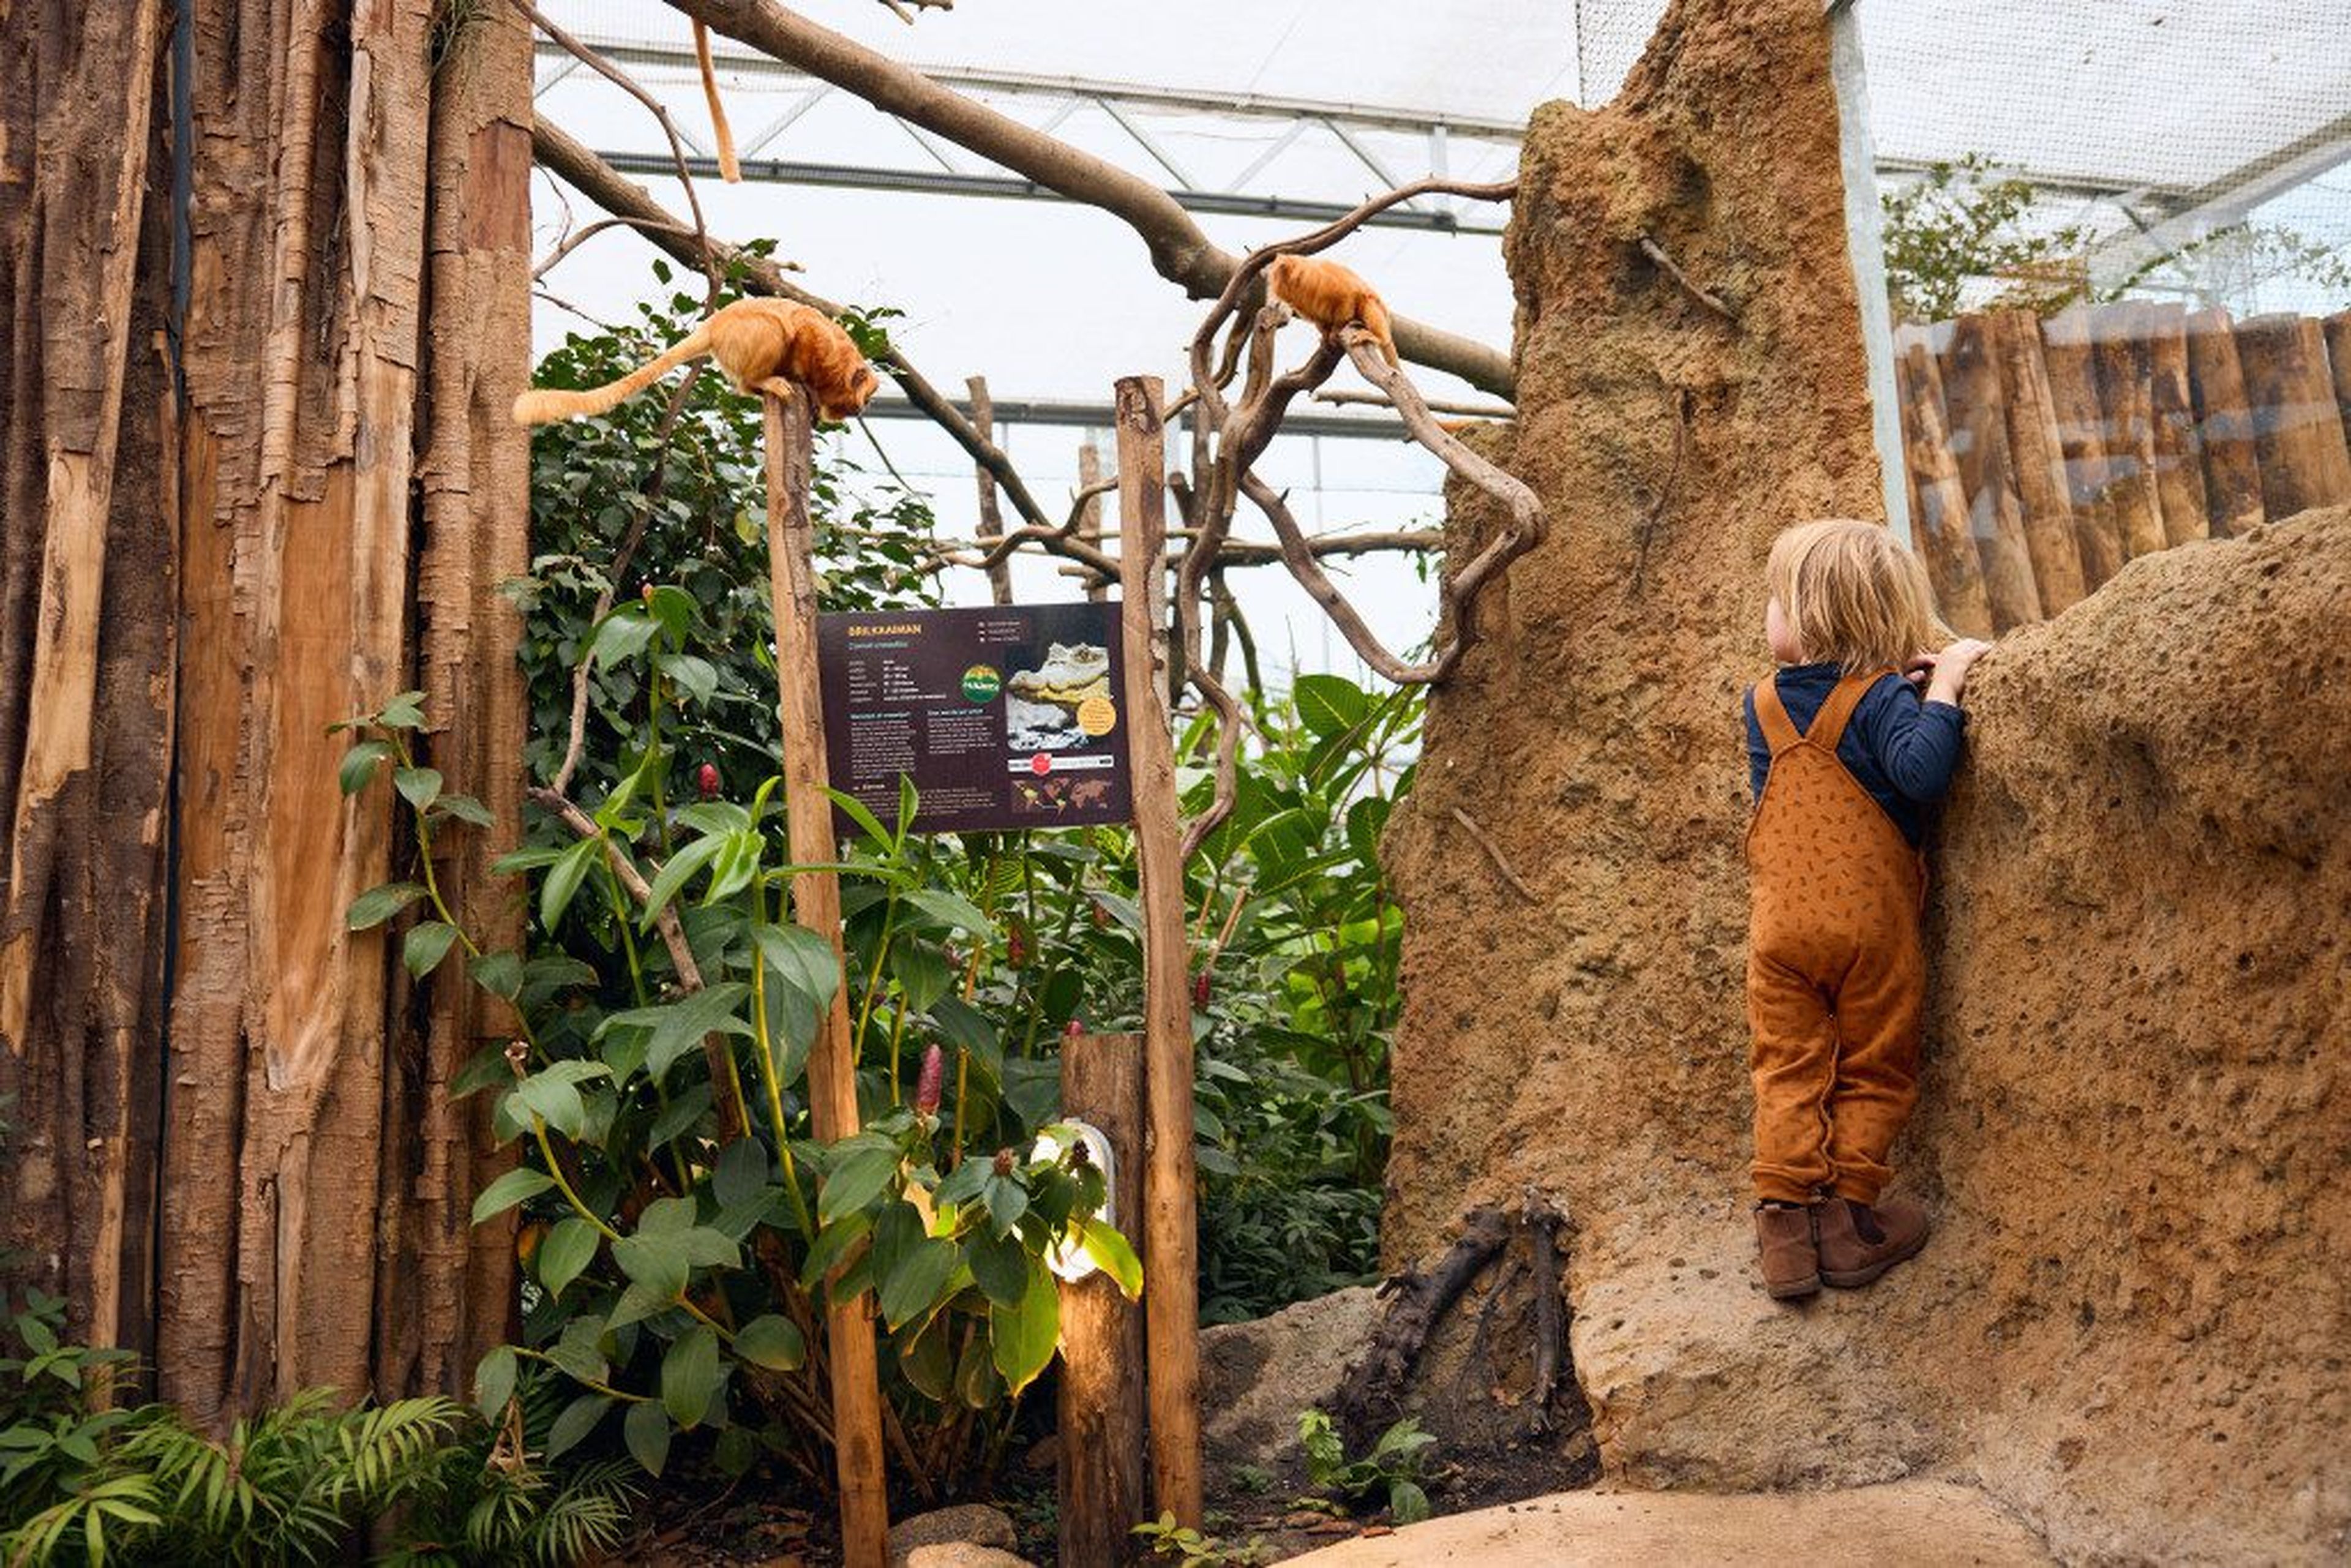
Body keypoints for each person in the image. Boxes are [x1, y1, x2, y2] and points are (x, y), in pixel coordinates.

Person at [1742, 519, 1992, 1300]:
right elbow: (1918, 776)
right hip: (1871, 932)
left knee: (1786, 1067)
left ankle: (1785, 1234)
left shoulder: (1762, 705)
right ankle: (1850, 1225)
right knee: (1872, 1068)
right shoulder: (1884, 698)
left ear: (1816, 616)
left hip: (1779, 931)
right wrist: (1942, 687)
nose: (1768, 615)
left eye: (1778, 600)